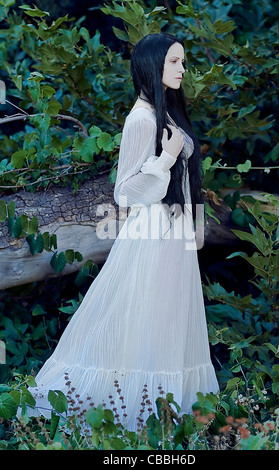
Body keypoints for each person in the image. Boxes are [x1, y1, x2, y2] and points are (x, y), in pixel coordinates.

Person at [26, 33, 219, 432]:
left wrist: (193, 235)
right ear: (153, 65)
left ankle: (167, 422)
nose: (183, 69)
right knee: (141, 320)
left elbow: (185, 187)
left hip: (175, 236)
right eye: (174, 62)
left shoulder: (166, 113)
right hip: (151, 235)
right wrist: (165, 159)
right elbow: (125, 191)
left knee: (167, 322)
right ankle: (126, 418)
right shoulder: (142, 118)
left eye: (183, 62)